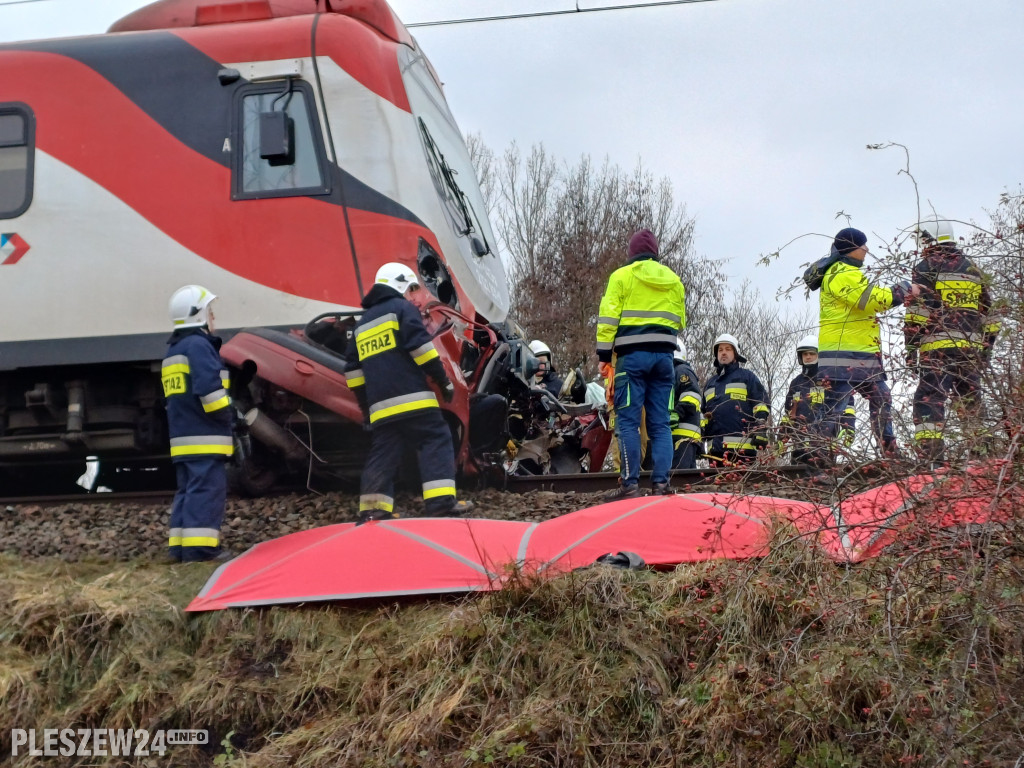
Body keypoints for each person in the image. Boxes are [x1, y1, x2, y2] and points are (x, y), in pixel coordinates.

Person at [344, 262, 473, 523]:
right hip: (413, 400)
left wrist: (366, 408)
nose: (411, 295)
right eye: (409, 288)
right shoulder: (401, 310)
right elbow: (421, 349)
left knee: (384, 452)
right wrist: (443, 381)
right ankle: (440, 503)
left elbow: (353, 373)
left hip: (380, 407)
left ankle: (374, 510)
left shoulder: (362, 325)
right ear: (399, 283)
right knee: (435, 437)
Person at [596, 228, 686, 498]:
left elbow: (608, 316)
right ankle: (661, 485)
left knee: (628, 422)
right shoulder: (674, 280)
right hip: (664, 359)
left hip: (632, 358)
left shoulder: (622, 276)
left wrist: (603, 355)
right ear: (656, 253)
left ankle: (630, 485)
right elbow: (680, 320)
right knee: (660, 423)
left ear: (632, 253)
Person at [815, 227, 918, 456]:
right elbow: (871, 300)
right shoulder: (841, 273)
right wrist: (905, 289)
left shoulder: (844, 272)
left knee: (881, 398)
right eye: (863, 245)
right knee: (835, 409)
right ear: (852, 248)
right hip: (843, 355)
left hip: (860, 355)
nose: (866, 250)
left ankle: (890, 453)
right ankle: (819, 461)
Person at [905, 216, 998, 463]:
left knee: (930, 400)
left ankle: (931, 461)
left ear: (931, 238)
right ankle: (982, 461)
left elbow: (918, 313)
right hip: (970, 351)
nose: (922, 245)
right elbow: (992, 315)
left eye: (923, 239)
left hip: (936, 349)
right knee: (971, 401)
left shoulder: (925, 267)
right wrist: (985, 351)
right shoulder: (973, 269)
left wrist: (911, 348)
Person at [163, 285, 234, 563]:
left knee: (188, 492)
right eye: (210, 311)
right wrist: (231, 415)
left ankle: (179, 550)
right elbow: (210, 392)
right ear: (199, 315)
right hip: (205, 434)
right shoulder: (198, 345)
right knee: (206, 492)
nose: (213, 317)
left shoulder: (174, 349)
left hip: (183, 437)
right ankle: (201, 551)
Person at [780, 335, 855, 466]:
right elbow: (789, 413)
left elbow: (847, 405)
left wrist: (848, 426)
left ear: (819, 355)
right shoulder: (796, 383)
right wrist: (781, 437)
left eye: (811, 354)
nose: (807, 357)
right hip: (799, 444)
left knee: (823, 482)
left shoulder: (830, 379)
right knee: (797, 481)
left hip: (824, 444)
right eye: (804, 354)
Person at [701, 333, 770, 466]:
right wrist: (699, 440)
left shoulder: (747, 377)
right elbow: (702, 415)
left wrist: (760, 427)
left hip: (743, 451)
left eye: (728, 349)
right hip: (714, 452)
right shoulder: (710, 383)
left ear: (736, 353)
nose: (723, 353)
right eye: (720, 350)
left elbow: (760, 403)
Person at [670, 338, 702, 469]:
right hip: (678, 436)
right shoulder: (672, 371)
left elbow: (691, 395)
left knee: (679, 477)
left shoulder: (681, 370)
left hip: (683, 436)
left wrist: (677, 412)